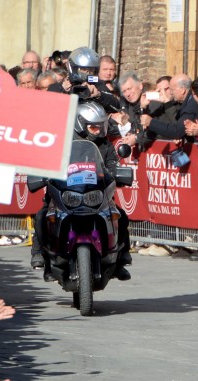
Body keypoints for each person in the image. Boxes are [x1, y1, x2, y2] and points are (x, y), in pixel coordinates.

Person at [31, 102, 131, 280]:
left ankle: (121, 258)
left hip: (96, 196)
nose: (98, 131)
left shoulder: (105, 145)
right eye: (94, 127)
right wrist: (43, 174)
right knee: (42, 215)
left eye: (102, 127)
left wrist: (117, 173)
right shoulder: (63, 142)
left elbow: (112, 166)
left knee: (121, 215)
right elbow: (48, 162)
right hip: (65, 194)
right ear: (80, 124)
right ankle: (42, 255)